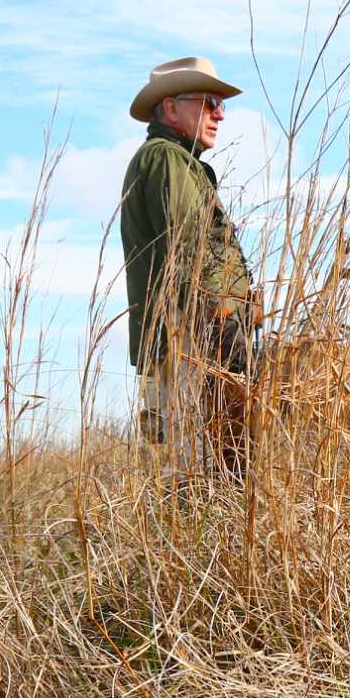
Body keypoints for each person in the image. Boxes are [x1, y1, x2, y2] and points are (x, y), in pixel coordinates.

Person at [120, 55, 258, 475]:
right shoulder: (166, 159)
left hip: (188, 337)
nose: (220, 113)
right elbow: (191, 250)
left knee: (204, 463)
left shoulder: (177, 162)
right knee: (201, 467)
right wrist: (225, 321)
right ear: (171, 107)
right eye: (209, 101)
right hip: (191, 339)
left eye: (220, 103)